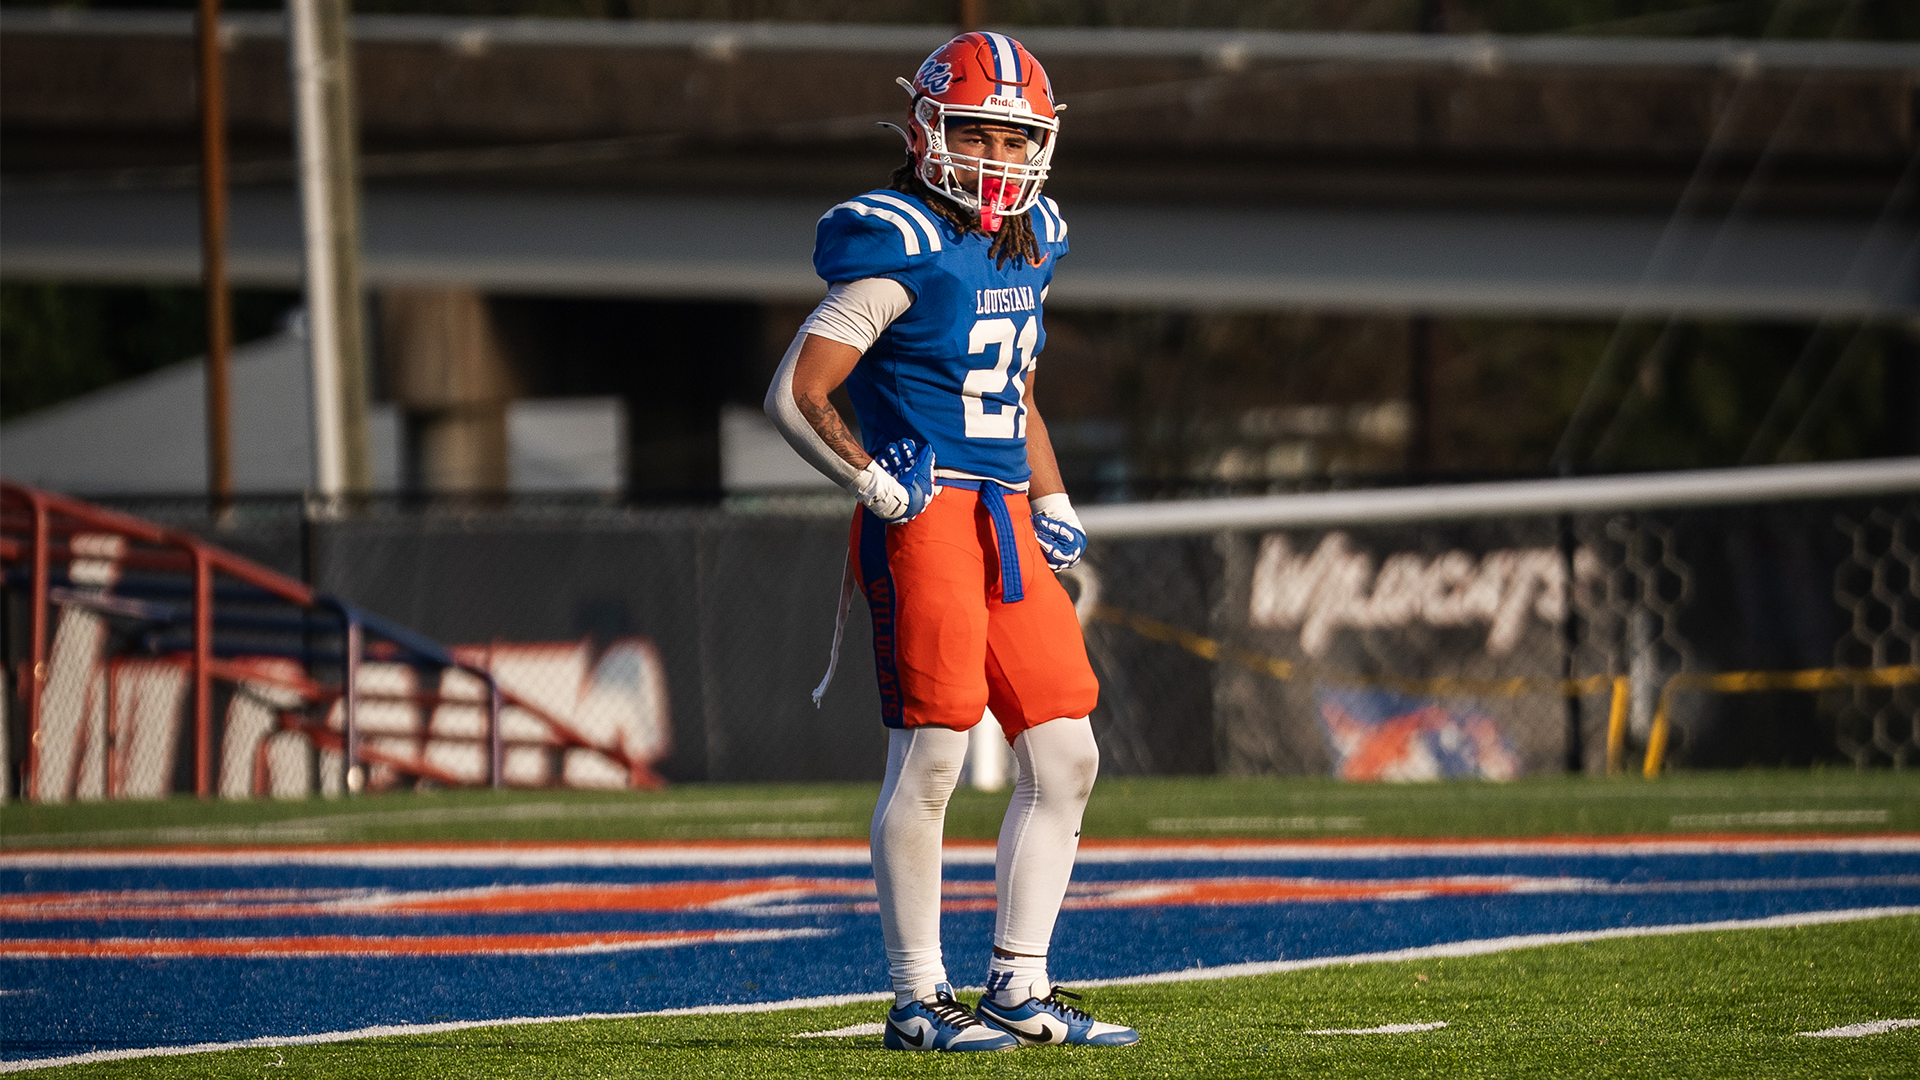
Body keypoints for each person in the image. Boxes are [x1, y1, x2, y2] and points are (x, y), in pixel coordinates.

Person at [764, 30, 1138, 1054]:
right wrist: (872, 479)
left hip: (1006, 515)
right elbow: (797, 391)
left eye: (1017, 140)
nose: (1000, 160)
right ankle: (917, 997)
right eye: (979, 134)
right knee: (930, 755)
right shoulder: (900, 240)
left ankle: (1020, 985)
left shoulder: (1031, 237)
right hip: (926, 513)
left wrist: (1051, 492)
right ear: (927, 128)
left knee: (1065, 753)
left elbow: (1008, 387)